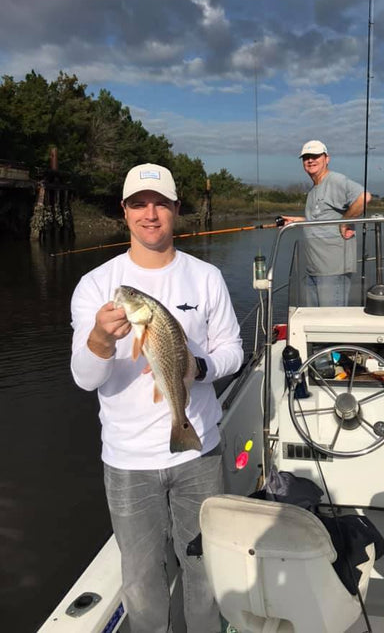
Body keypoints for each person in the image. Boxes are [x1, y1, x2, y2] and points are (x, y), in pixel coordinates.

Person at [70, 163, 243, 633]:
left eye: (160, 203)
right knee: (142, 579)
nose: (150, 214)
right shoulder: (95, 286)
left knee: (205, 569)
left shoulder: (205, 277)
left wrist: (198, 367)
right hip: (127, 462)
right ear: (124, 211)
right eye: (139, 204)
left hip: (199, 449)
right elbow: (85, 379)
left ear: (175, 210)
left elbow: (233, 351)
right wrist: (101, 341)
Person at [282, 140, 371, 306]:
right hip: (313, 270)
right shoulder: (314, 189)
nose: (310, 160)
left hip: (332, 270)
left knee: (331, 322)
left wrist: (345, 222)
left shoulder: (335, 180)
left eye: (315, 156)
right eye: (306, 157)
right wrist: (299, 220)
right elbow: (321, 218)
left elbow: (364, 197)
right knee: (315, 322)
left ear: (326, 159)